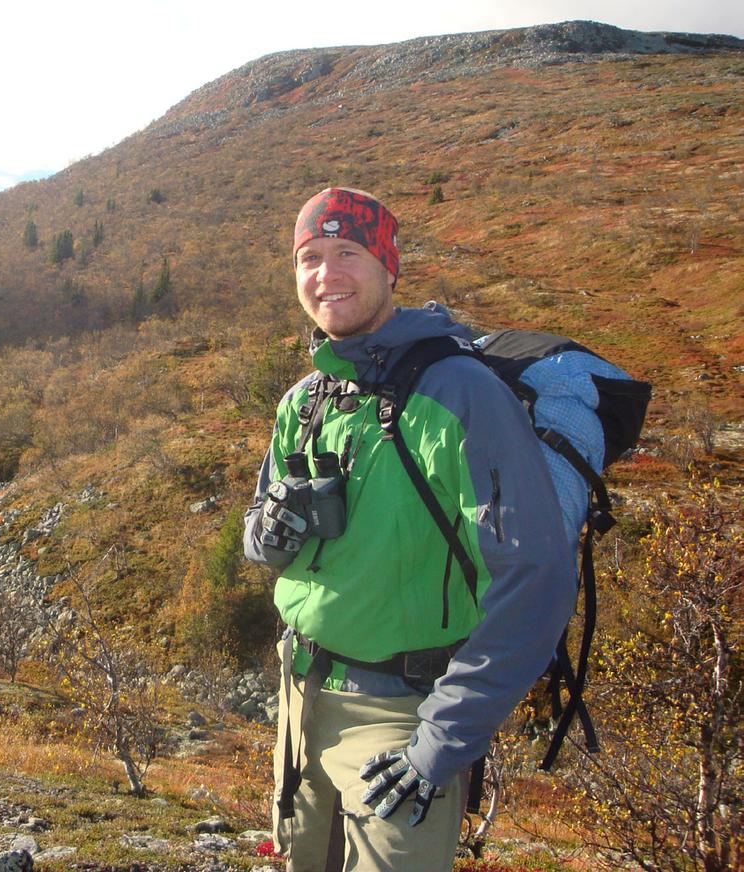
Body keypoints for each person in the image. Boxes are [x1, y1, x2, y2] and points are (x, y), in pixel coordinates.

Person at [243, 187, 576, 871]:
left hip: (400, 717)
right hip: (300, 692)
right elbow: (259, 533)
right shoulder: (304, 401)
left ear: (389, 266)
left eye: (347, 252)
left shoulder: (459, 394)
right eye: (309, 257)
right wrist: (268, 533)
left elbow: (536, 576)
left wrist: (441, 742)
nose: (325, 273)